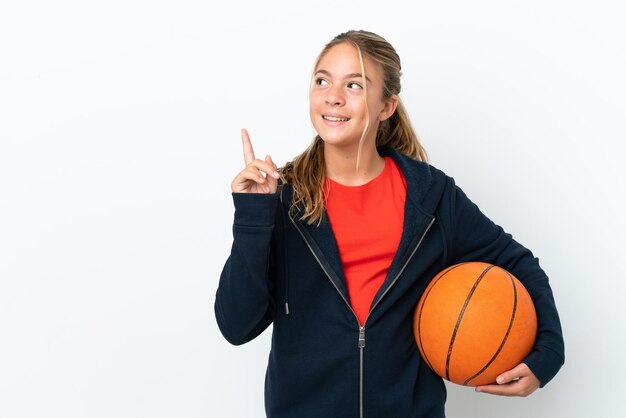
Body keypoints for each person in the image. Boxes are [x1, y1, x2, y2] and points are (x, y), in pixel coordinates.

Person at [215, 30, 564, 418]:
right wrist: (252, 216)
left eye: (355, 85)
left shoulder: (429, 196)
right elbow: (237, 326)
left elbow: (517, 262)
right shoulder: (283, 198)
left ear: (386, 106)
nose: (333, 96)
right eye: (322, 80)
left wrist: (547, 353)